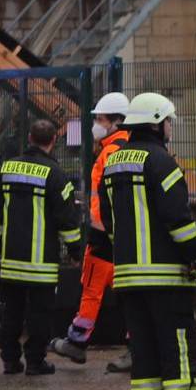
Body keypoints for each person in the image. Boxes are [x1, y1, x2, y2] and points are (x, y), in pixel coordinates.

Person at [102, 92, 196, 390]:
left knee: (143, 340)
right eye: (167, 121)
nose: (170, 127)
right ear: (155, 123)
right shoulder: (163, 162)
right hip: (165, 274)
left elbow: (109, 219)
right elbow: (177, 219)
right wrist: (193, 255)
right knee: (176, 337)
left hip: (127, 273)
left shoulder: (113, 162)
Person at [0, 119, 79, 376]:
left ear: (29, 138)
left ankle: (10, 360)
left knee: (11, 312)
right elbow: (67, 220)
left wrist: (0, 248)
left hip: (10, 259)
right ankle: (34, 361)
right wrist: (75, 251)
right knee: (40, 313)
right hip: (40, 262)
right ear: (53, 141)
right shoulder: (55, 174)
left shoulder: (6, 169)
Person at [52, 92, 129, 368]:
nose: (96, 123)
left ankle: (77, 341)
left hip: (103, 235)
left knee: (93, 289)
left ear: (117, 122)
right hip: (121, 235)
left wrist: (100, 229)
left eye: (101, 118)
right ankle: (132, 346)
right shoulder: (124, 147)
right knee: (124, 292)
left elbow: (104, 199)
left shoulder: (111, 152)